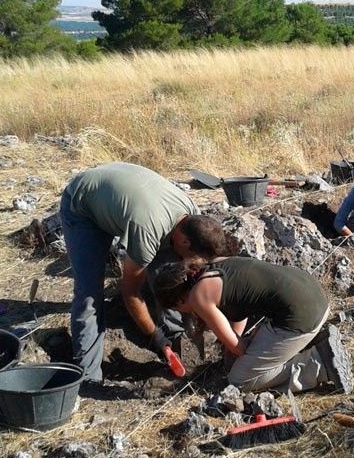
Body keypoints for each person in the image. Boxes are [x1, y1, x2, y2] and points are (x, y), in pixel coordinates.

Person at [60, 162, 232, 382]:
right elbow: (131, 292)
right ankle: (88, 376)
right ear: (184, 239)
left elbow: (187, 269)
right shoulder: (147, 232)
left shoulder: (192, 215)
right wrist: (156, 338)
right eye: (190, 254)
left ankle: (176, 336)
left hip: (122, 194)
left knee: (173, 268)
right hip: (83, 204)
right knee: (90, 294)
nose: (188, 261)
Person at [152, 257, 352, 393]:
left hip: (301, 317)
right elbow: (239, 313)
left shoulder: (198, 297)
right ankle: (310, 342)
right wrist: (239, 348)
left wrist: (241, 357)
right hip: (314, 297)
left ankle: (318, 365)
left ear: (178, 301)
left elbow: (238, 347)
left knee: (240, 379)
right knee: (246, 360)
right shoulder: (216, 265)